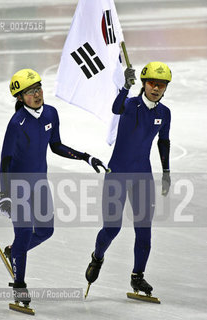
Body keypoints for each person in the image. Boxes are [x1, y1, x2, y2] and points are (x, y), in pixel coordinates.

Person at [0, 68, 109, 305]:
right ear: (19, 98)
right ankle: (19, 287)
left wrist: (85, 157)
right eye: (30, 92)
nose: (37, 95)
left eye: (38, 88)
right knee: (25, 232)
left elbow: (56, 145)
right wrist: (4, 193)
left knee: (45, 231)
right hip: (18, 187)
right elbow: (5, 160)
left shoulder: (51, 113)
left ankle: (14, 250)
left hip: (40, 185)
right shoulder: (16, 124)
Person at [85, 61, 172, 296]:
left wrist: (166, 172)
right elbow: (115, 108)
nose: (156, 88)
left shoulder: (164, 113)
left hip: (143, 176)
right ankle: (97, 256)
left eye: (161, 85)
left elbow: (163, 141)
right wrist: (124, 86)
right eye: (152, 83)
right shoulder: (131, 104)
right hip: (118, 175)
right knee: (112, 228)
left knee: (144, 231)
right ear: (144, 84)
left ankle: (137, 276)